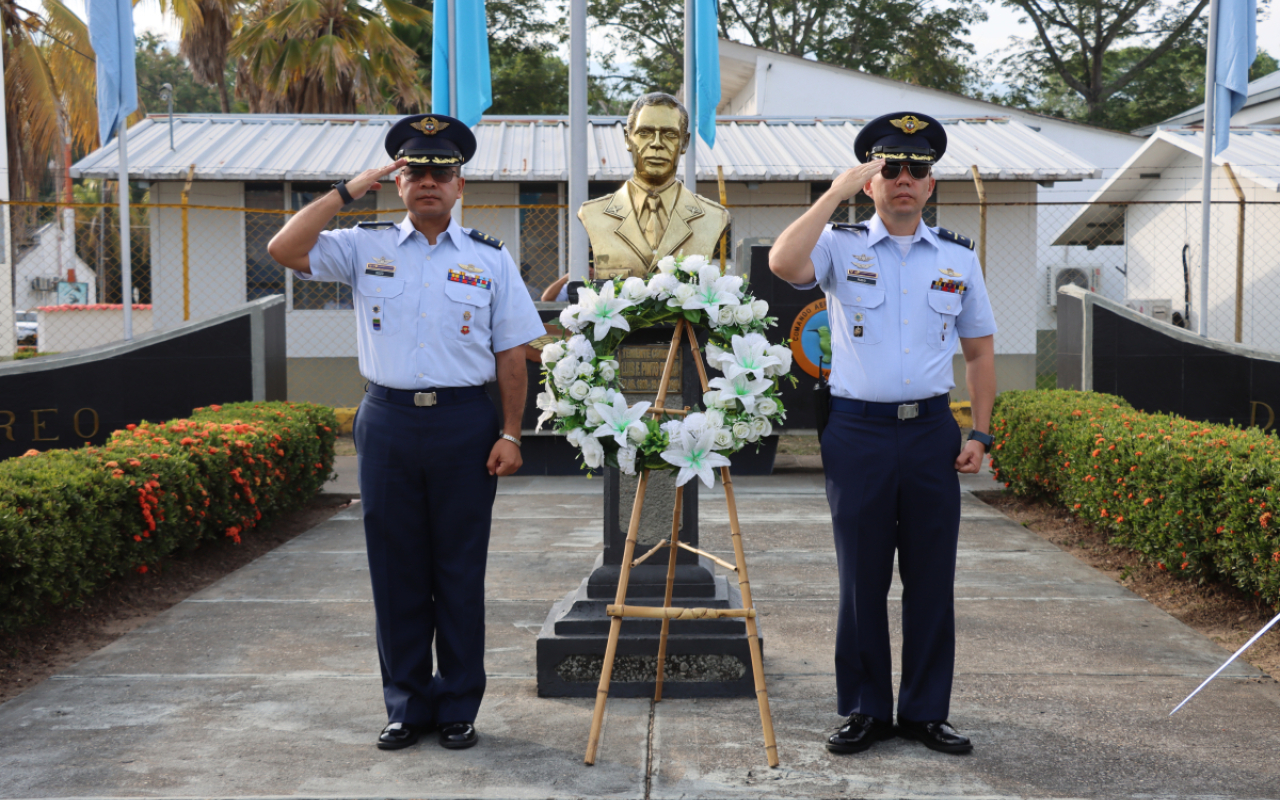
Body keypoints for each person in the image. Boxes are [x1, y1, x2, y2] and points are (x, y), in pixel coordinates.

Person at [267, 113, 545, 752]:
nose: (427, 183)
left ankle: (457, 707)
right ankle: (405, 705)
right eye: (415, 171)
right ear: (397, 183)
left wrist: (512, 433)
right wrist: (346, 191)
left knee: (457, 569)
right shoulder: (363, 245)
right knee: (395, 570)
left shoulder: (489, 259)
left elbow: (510, 355)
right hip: (388, 420)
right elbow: (284, 250)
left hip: (464, 423)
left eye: (440, 173)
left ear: (460, 186)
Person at [768, 111, 997, 756]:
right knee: (861, 579)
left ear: (930, 184)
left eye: (915, 169)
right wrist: (836, 191)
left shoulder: (957, 257)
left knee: (931, 578)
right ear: (871, 181)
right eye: (888, 168)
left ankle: (925, 712)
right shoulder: (840, 246)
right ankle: (867, 709)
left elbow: (979, 354)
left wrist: (980, 432)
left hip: (930, 432)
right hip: (858, 433)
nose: (902, 179)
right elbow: (785, 263)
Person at [577, 92, 728, 280]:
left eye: (669, 134)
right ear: (627, 139)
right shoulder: (593, 213)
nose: (657, 143)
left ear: (685, 142)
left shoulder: (713, 217)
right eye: (645, 133)